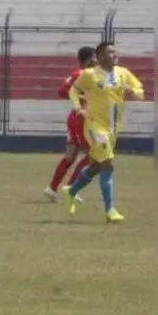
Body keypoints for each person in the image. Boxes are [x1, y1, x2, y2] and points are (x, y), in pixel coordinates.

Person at [60, 42, 145, 222]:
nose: (115, 54)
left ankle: (71, 191)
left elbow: (140, 92)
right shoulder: (90, 75)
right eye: (110, 52)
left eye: (115, 51)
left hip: (113, 128)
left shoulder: (123, 73)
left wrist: (133, 91)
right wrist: (77, 108)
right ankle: (110, 211)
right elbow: (74, 90)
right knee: (109, 163)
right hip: (94, 125)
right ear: (100, 57)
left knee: (97, 166)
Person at [43, 47, 96, 202]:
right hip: (81, 118)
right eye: (95, 57)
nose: (97, 60)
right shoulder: (81, 74)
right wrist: (81, 96)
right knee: (94, 154)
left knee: (71, 155)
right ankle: (70, 190)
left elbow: (63, 90)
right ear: (89, 59)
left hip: (75, 117)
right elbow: (63, 91)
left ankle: (52, 189)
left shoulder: (79, 73)